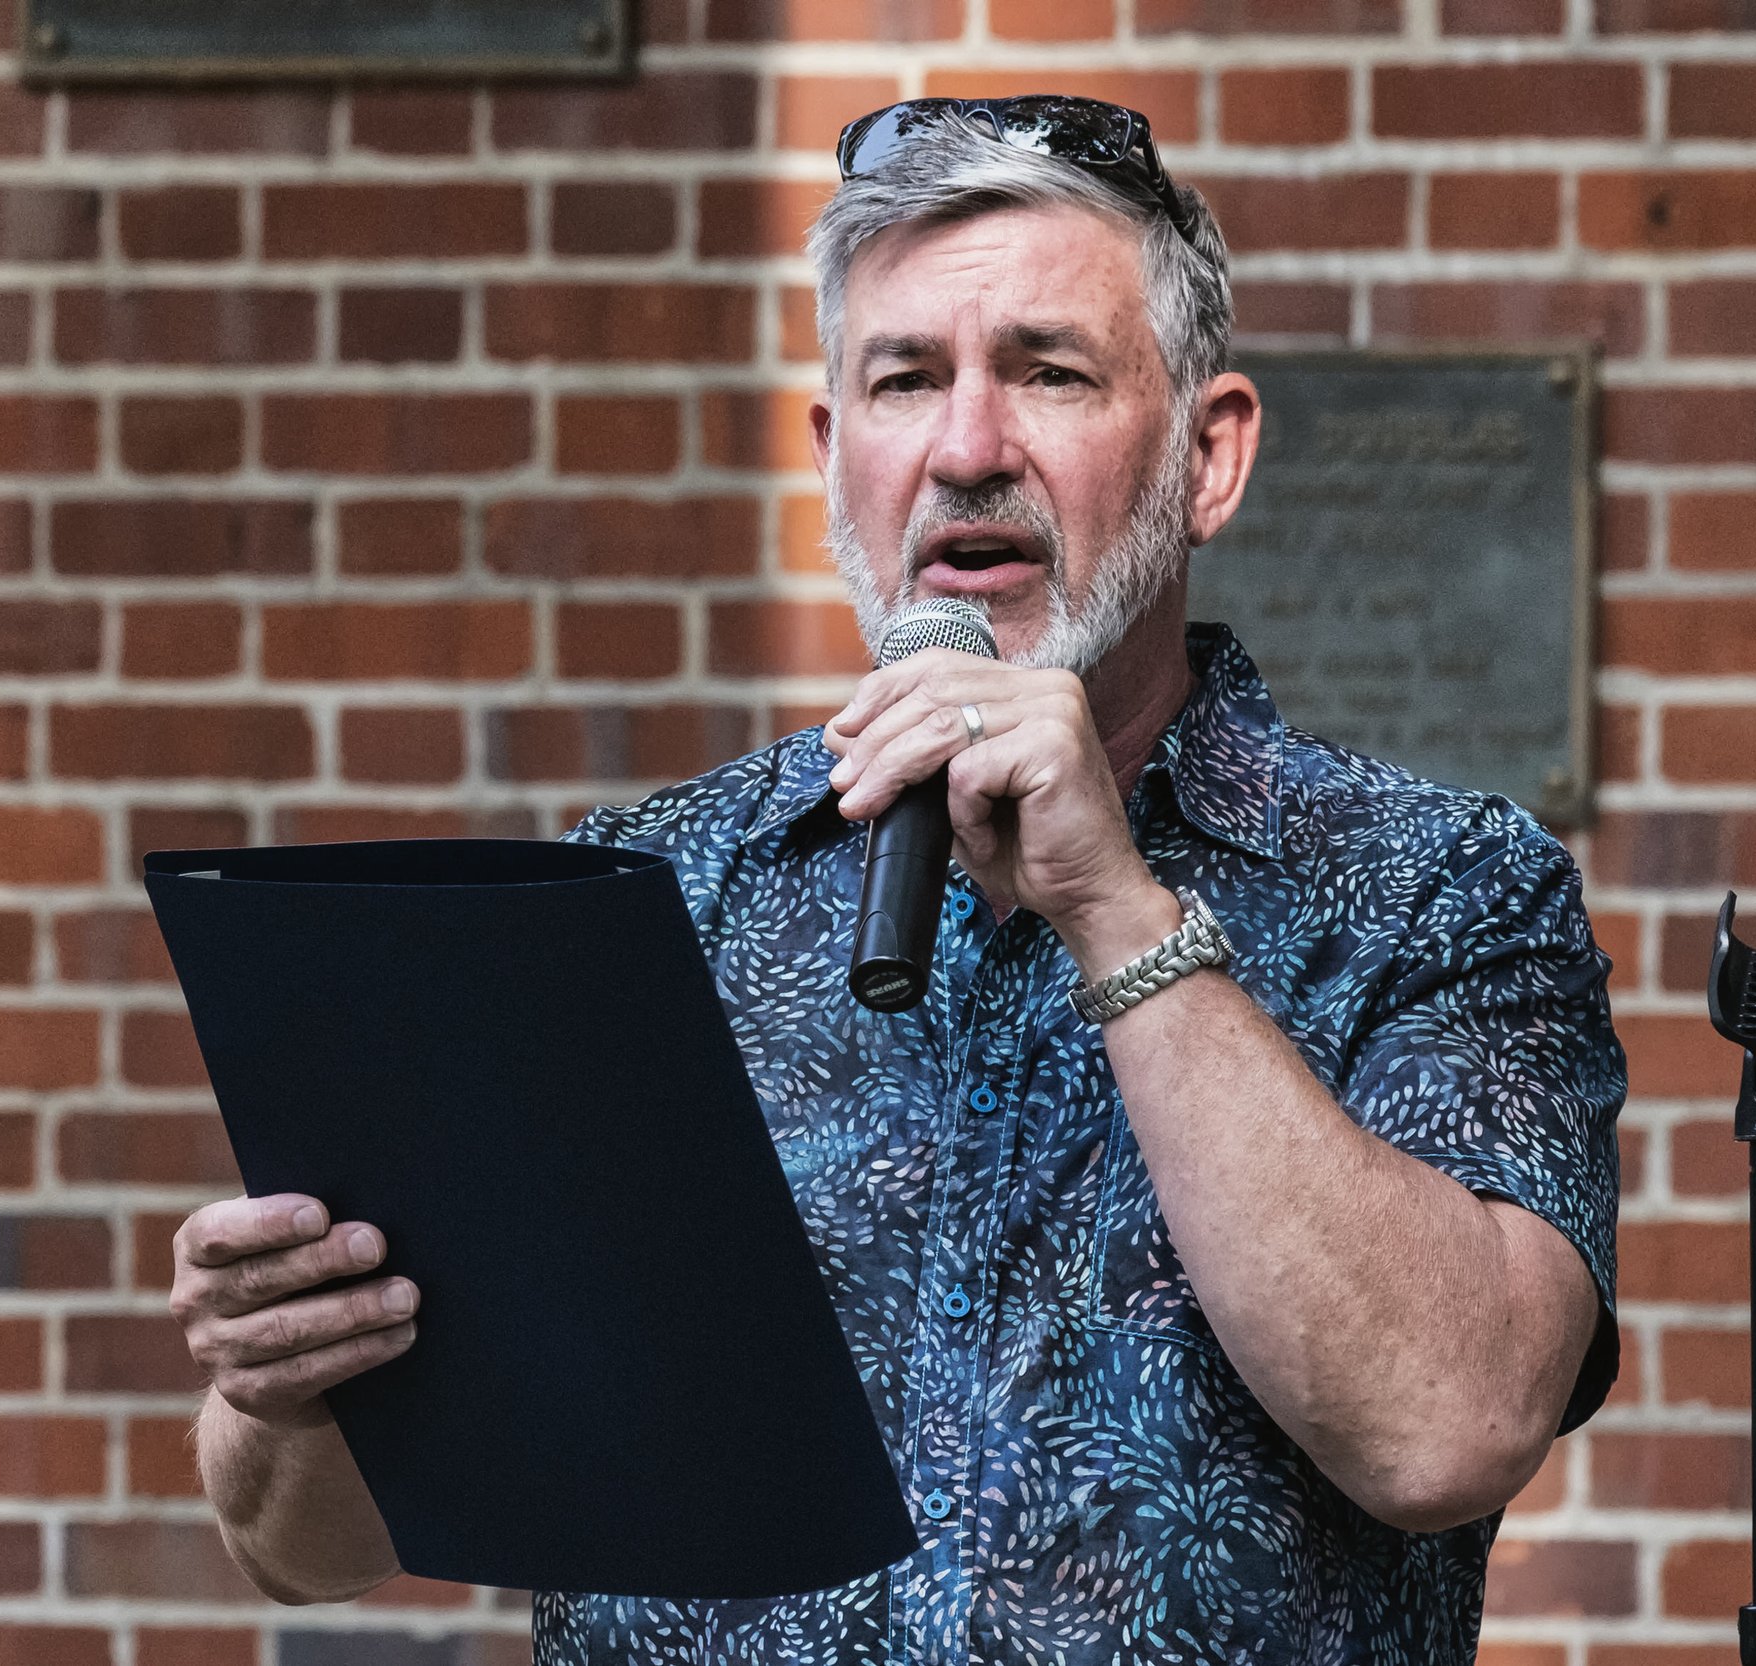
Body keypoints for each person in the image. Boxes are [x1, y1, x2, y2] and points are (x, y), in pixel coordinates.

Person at [169, 95, 1625, 1664]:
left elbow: (1445, 1427)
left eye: (1048, 372)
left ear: (1209, 456)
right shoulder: (648, 896)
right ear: (830, 453)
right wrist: (287, 1382)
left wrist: (1115, 907)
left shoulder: (1441, 889)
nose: (966, 446)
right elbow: (306, 1546)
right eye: (906, 379)